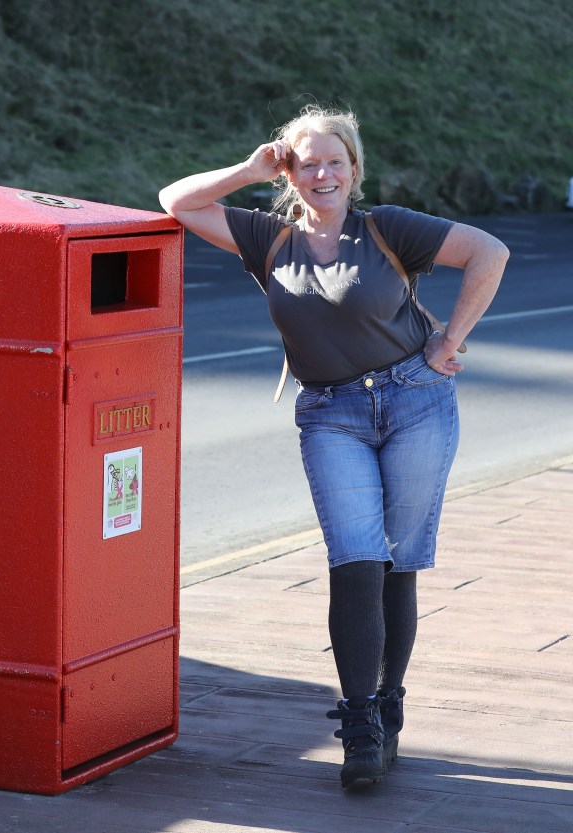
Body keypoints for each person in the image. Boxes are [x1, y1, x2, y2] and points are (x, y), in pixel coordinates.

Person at [158, 105, 509, 790]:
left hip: (416, 402)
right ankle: (359, 725)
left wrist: (448, 341)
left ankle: (389, 704)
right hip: (331, 413)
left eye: (334, 162)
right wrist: (250, 170)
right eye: (307, 162)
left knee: (397, 563)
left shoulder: (388, 228)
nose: (323, 174)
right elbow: (175, 202)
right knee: (355, 560)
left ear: (354, 169)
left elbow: (489, 253)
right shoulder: (267, 238)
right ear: (290, 170)